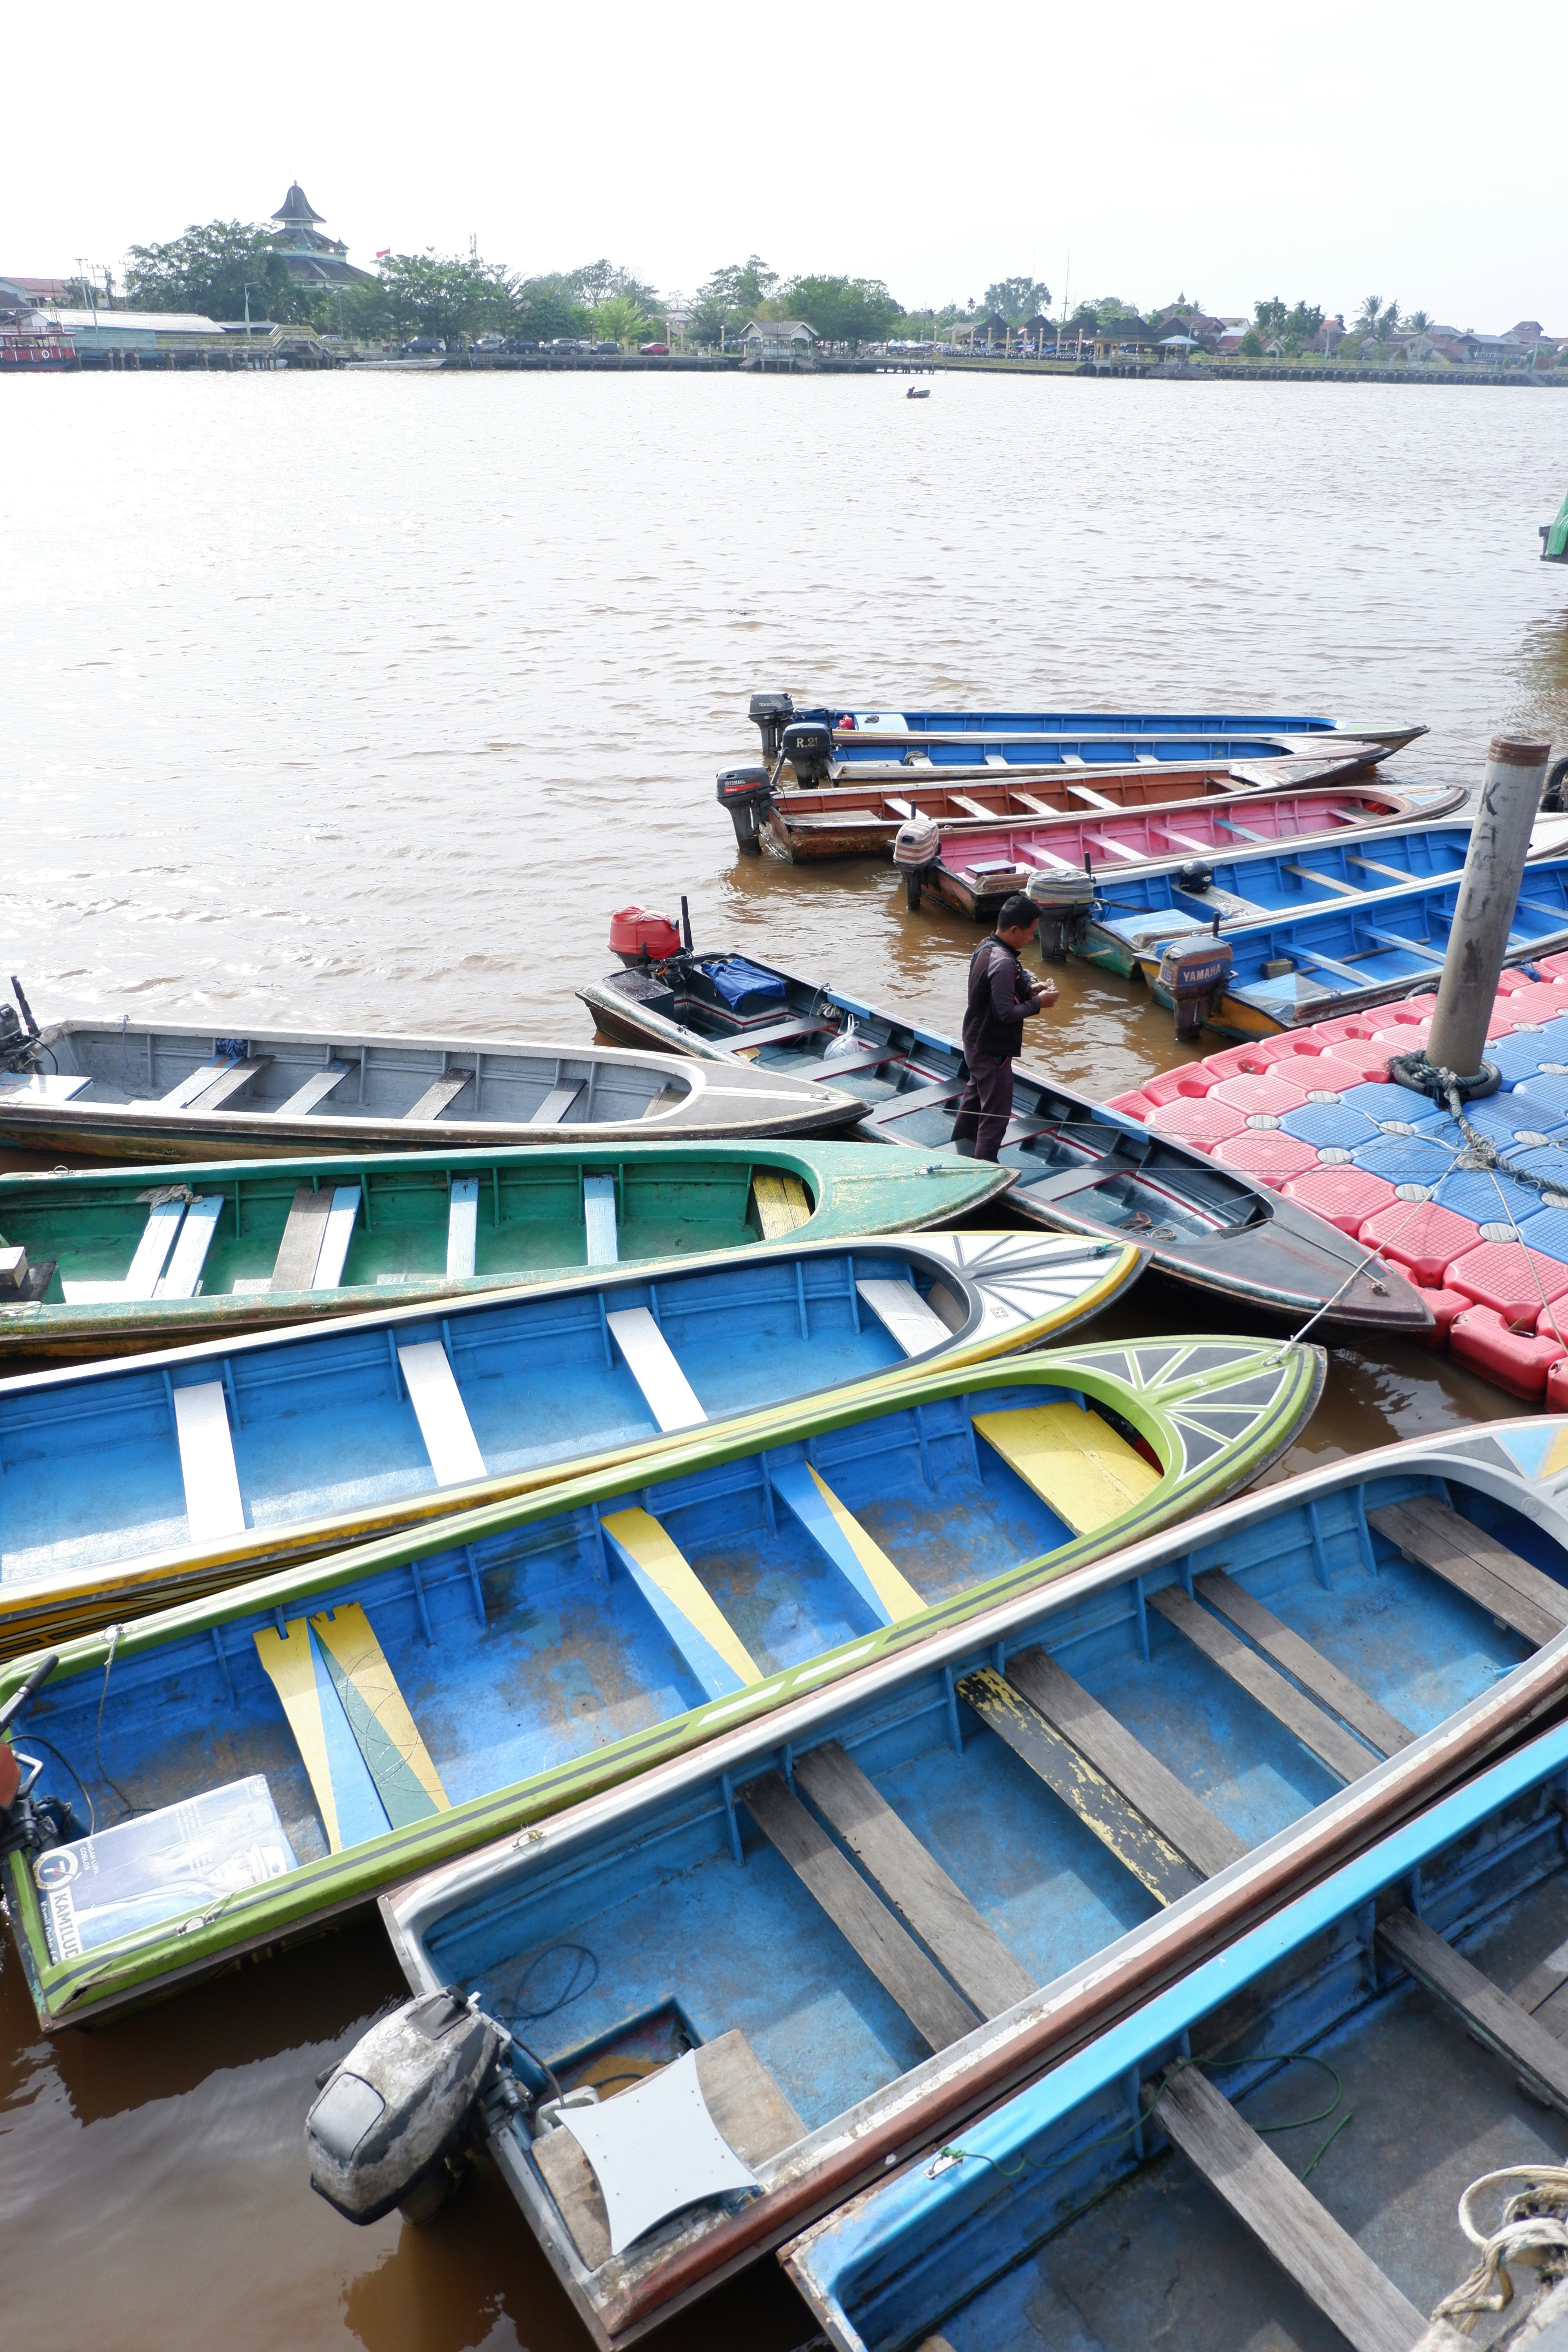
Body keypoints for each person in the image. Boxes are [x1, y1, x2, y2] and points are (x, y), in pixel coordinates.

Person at [952, 895, 1057, 1161]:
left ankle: (957, 1148)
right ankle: (986, 1166)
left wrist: (1028, 990)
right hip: (991, 1049)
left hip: (974, 1040)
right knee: (996, 1113)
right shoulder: (1004, 962)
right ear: (1014, 930)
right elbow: (1005, 1013)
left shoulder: (986, 946)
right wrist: (1039, 1003)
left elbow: (994, 994)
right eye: (1031, 933)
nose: (1032, 939)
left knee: (975, 1096)